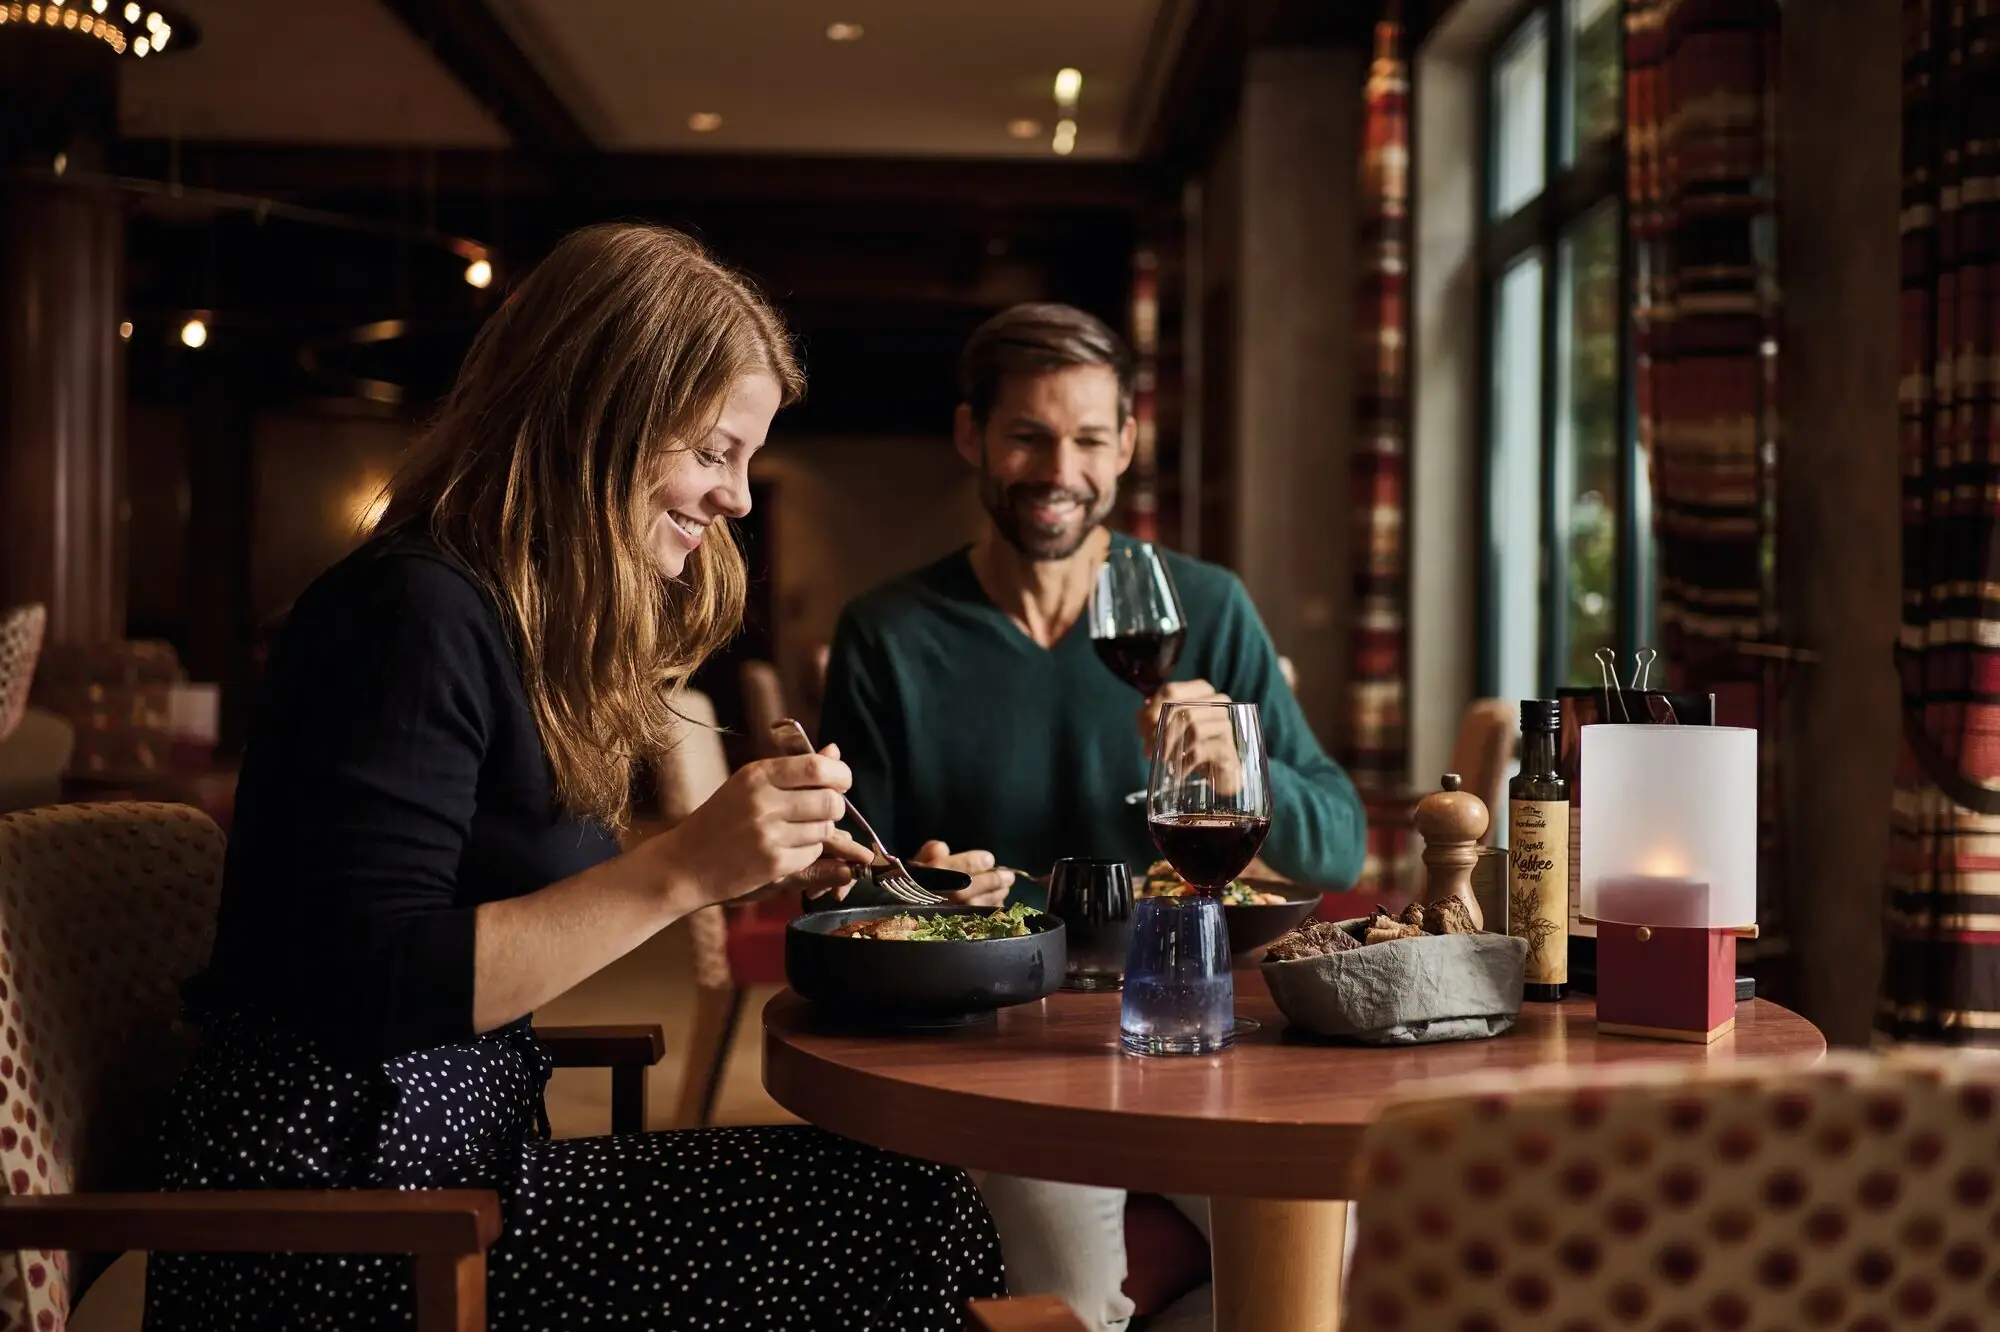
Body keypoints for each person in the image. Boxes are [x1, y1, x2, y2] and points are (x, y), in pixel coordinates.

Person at [145, 223, 1003, 1331]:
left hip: (455, 1179)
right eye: (710, 452)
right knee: (908, 1229)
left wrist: (779, 872)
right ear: (593, 425)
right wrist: (685, 868)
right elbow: (372, 984)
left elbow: (505, 901)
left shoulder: (503, 621)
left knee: (913, 1201)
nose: (738, 497)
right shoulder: (408, 616)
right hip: (345, 1232)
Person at [817, 303, 1367, 1331]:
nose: (1055, 467)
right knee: (1068, 1301)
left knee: (1319, 1278)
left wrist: (1245, 780)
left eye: (1085, 439)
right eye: (1025, 434)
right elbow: (855, 882)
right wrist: (930, 886)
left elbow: (1340, 839)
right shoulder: (888, 633)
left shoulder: (1201, 607)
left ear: (1123, 447)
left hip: (1210, 1033)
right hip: (1004, 1048)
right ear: (971, 436)